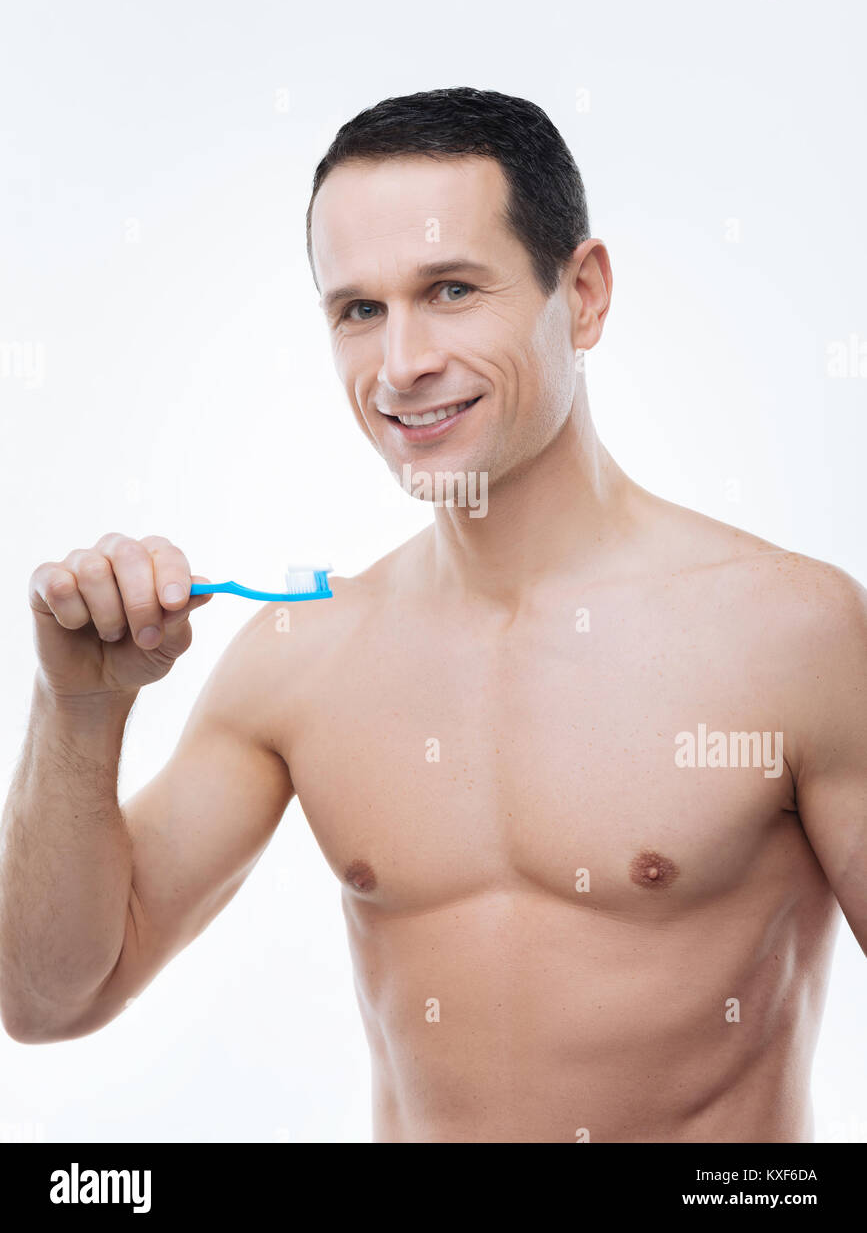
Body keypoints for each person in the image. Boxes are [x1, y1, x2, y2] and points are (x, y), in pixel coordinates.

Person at [2, 88, 864, 1143]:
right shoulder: (300, 660)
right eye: (358, 309)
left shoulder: (794, 636)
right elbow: (50, 1000)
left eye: (450, 289)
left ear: (583, 294)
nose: (400, 364)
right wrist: (77, 711)